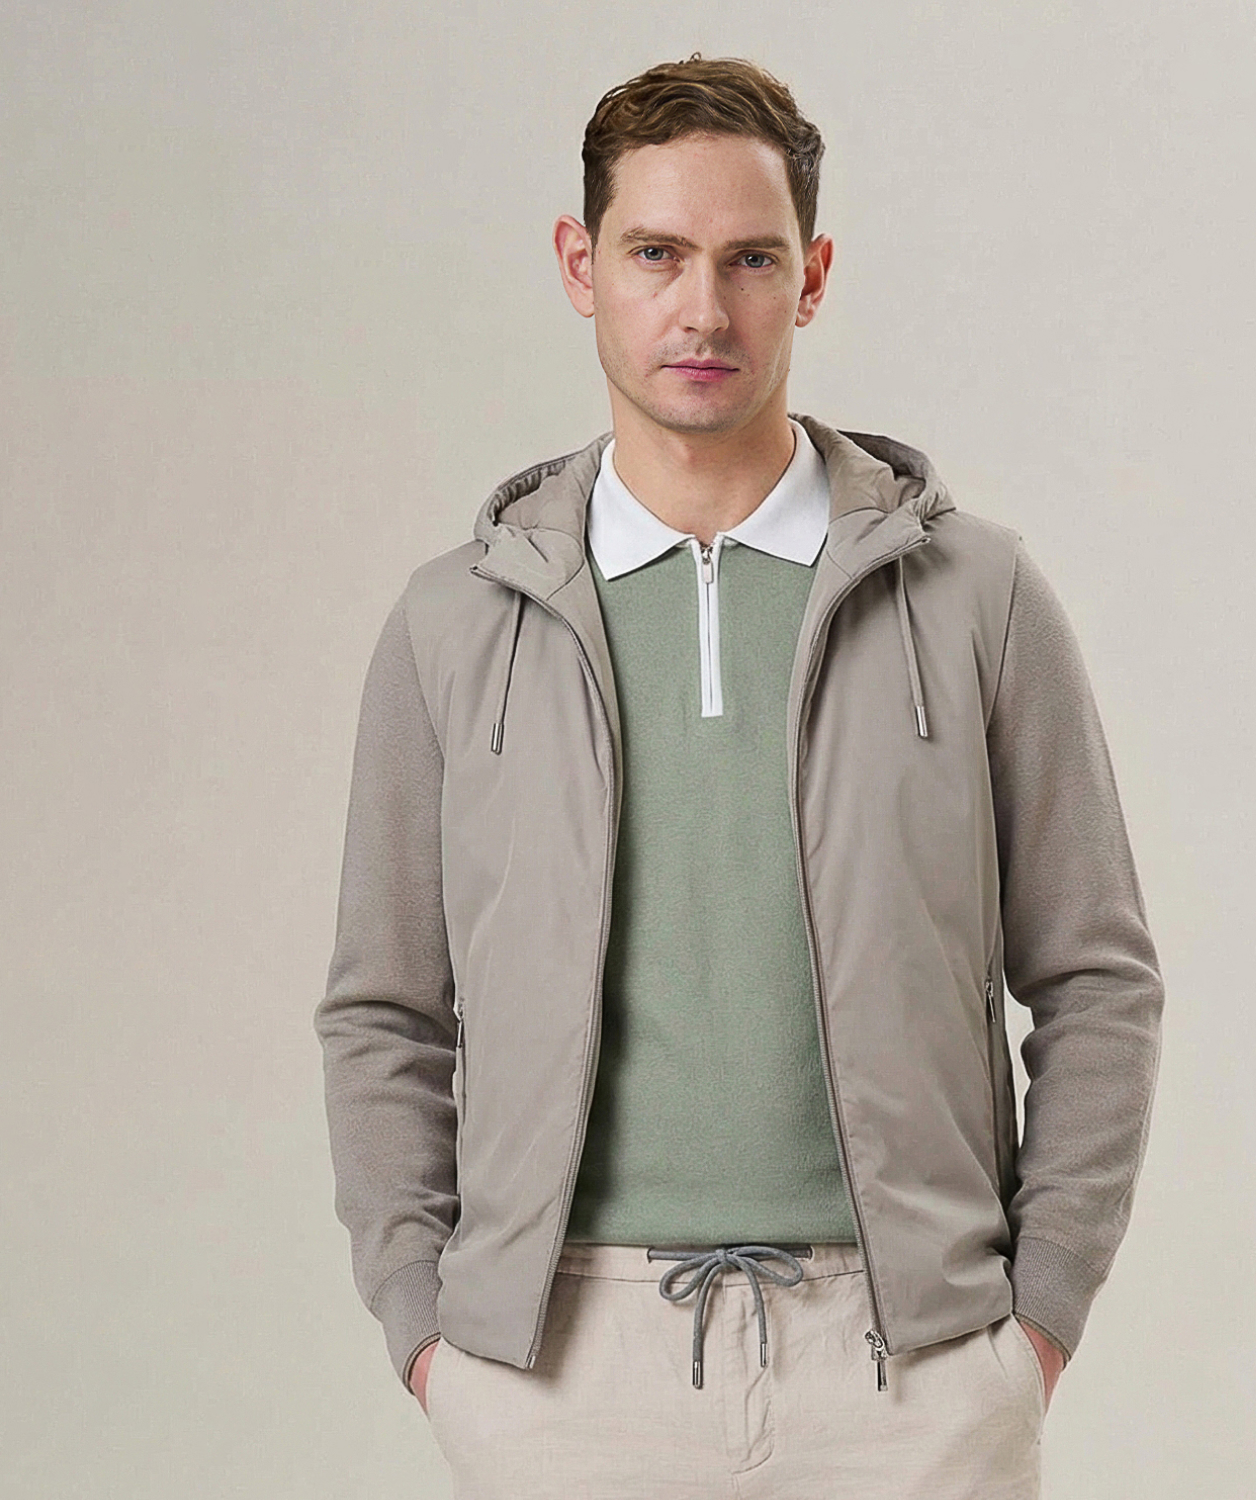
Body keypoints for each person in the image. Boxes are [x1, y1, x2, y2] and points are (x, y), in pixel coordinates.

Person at [314, 53, 1165, 1500]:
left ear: (812, 276)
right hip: (559, 1376)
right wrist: (428, 1334)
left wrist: (1035, 1325)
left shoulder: (980, 599)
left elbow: (1098, 977)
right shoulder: (453, 623)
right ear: (581, 266)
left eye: (750, 259)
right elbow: (383, 1009)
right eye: (656, 254)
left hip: (912, 1371)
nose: (703, 309)